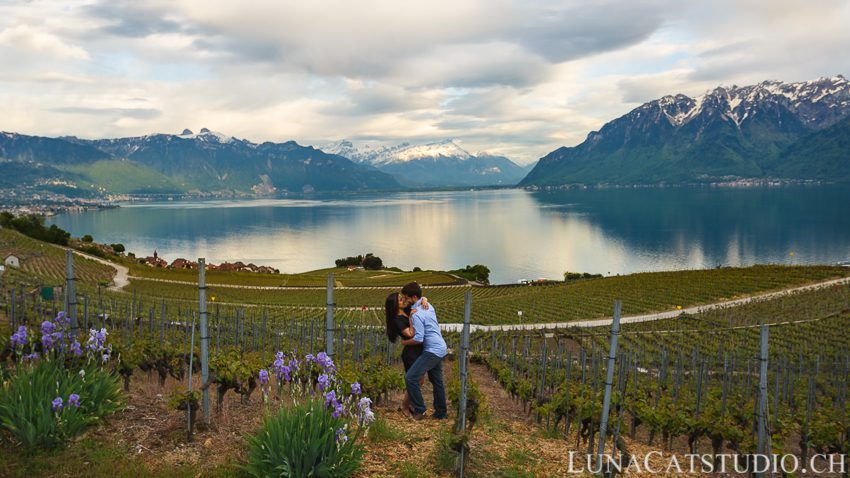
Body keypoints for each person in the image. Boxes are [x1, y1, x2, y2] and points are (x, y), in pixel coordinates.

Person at [400, 282, 447, 420]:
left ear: (414, 297)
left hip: (432, 350)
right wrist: (424, 299)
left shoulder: (417, 314)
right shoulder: (428, 305)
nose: (405, 300)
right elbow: (422, 299)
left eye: (406, 297)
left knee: (410, 378)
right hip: (440, 347)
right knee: (436, 380)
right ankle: (441, 413)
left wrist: (404, 342)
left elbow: (419, 339)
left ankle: (420, 410)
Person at [384, 292, 424, 415]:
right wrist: (411, 318)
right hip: (411, 353)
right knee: (415, 380)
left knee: (419, 380)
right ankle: (405, 406)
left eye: (402, 298)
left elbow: (420, 299)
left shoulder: (405, 311)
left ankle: (409, 404)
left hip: (417, 349)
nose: (403, 300)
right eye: (400, 300)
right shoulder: (397, 319)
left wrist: (424, 300)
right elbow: (410, 334)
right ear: (395, 305)